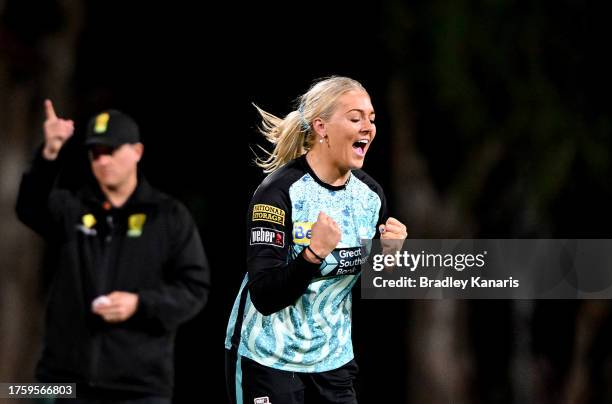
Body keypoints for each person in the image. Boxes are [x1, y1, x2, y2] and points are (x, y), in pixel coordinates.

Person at [225, 76, 408, 403]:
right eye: (355, 118)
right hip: (268, 360)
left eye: (371, 118)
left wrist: (390, 258)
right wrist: (312, 255)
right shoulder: (278, 193)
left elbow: (371, 289)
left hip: (332, 363)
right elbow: (265, 295)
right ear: (321, 127)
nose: (367, 126)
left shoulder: (370, 197)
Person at [15, 101, 211, 403]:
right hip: (65, 385)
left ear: (137, 152)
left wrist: (140, 303)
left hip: (139, 388)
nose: (102, 160)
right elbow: (29, 208)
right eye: (96, 153)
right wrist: (49, 152)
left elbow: (194, 289)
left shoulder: (168, 216)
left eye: (112, 150)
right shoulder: (72, 208)